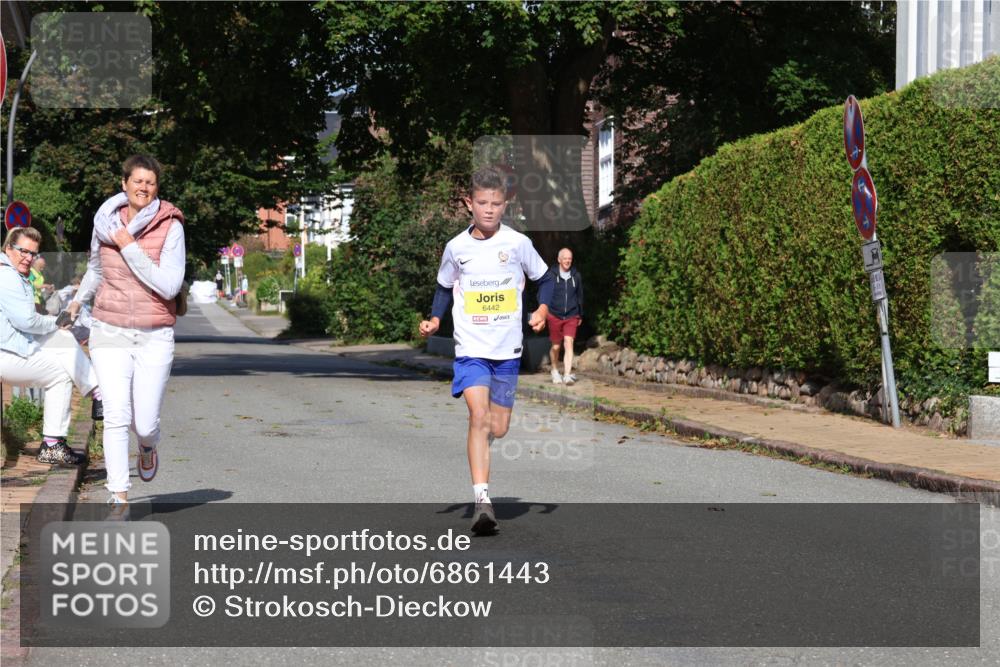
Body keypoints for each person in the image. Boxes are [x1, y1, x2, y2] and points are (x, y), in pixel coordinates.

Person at [419, 166, 552, 536]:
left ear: (505, 204)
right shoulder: (456, 248)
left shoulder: (517, 244)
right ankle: (482, 502)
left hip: (507, 350)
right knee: (478, 418)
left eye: (496, 203)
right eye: (482, 203)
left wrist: (541, 309)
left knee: (499, 426)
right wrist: (434, 318)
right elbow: (444, 288)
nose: (489, 209)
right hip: (471, 349)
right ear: (469, 204)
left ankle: (485, 442)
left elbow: (546, 279)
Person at [67, 154, 186, 511]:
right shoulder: (104, 223)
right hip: (109, 328)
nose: (143, 188)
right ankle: (118, 496)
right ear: (124, 184)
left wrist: (129, 246)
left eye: (150, 183)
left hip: (154, 334)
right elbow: (95, 269)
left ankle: (148, 447)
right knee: (116, 414)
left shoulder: (171, 226)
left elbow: (169, 285)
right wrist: (76, 302)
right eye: (137, 181)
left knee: (144, 422)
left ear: (157, 188)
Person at [0, 227, 103, 465]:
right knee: (61, 373)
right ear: (8, 249)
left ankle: (97, 392)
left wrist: (57, 326)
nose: (28, 258)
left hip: (13, 347)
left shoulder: (13, 273)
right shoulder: (6, 276)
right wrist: (56, 322)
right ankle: (52, 444)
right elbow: (26, 321)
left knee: (64, 340)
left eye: (33, 253)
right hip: (5, 355)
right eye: (23, 251)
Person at [545, 247, 584, 385]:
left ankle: (567, 374)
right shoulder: (551, 275)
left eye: (570, 258)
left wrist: (580, 314)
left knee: (569, 342)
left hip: (572, 315)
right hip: (554, 314)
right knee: (556, 346)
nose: (568, 261)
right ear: (559, 260)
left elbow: (580, 296)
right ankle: (555, 370)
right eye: (565, 258)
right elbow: (545, 295)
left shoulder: (576, 276)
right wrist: (544, 311)